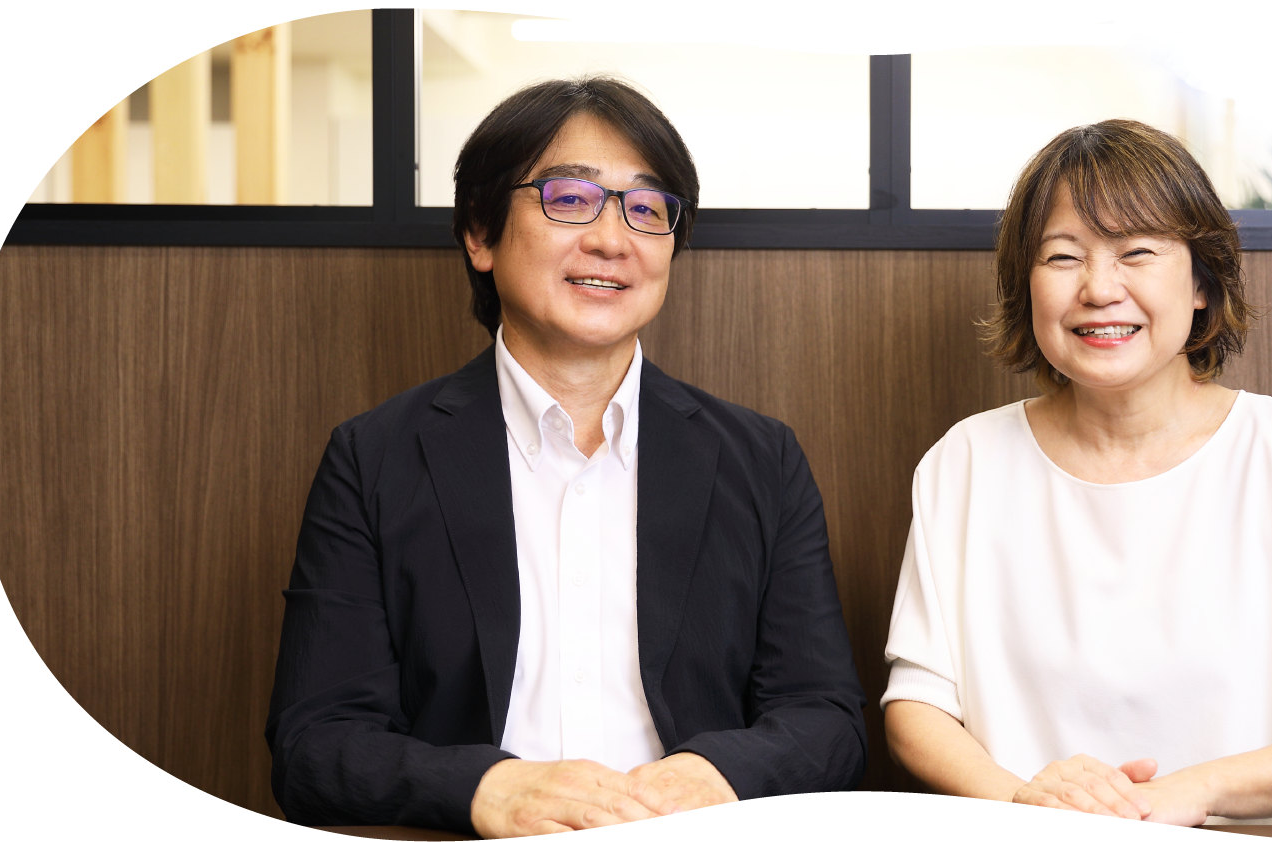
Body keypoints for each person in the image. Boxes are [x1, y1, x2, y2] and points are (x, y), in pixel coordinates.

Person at [266, 78, 866, 838]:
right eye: (570, 198)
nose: (612, 239)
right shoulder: (375, 457)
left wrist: (715, 775)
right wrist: (489, 789)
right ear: (479, 232)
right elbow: (313, 744)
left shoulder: (759, 459)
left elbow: (826, 719)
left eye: (647, 209)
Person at [880, 119, 1272, 826]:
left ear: (1201, 283)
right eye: (1062, 257)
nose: (1099, 288)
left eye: (1136, 252)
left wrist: (1189, 795)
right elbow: (916, 707)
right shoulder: (965, 462)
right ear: (1025, 286)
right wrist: (1024, 801)